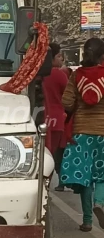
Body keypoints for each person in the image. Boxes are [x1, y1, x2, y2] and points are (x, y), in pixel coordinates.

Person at [60, 38, 104, 232]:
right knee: (101, 176)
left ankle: (87, 221)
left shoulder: (77, 75)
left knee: (84, 177)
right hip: (103, 132)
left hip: (80, 132)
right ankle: (100, 203)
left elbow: (66, 102)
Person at [42, 43, 68, 190]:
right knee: (54, 155)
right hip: (58, 119)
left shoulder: (36, 74)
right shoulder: (59, 74)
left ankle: (43, 187)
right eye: (59, 56)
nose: (61, 59)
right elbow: (69, 95)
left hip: (41, 118)